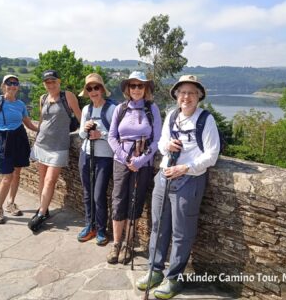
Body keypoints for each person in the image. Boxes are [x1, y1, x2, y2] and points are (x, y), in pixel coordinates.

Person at [136, 75, 220, 299]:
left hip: (189, 180)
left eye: (192, 93)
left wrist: (186, 167)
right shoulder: (172, 115)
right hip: (164, 177)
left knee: (182, 233)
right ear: (176, 95)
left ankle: (173, 278)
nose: (186, 97)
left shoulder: (206, 120)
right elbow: (162, 142)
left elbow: (212, 155)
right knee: (158, 227)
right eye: (182, 92)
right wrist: (167, 146)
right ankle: (155, 270)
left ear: (199, 96)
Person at [106, 71, 162, 264]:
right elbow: (111, 137)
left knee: (135, 201)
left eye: (140, 85)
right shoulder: (120, 109)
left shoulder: (151, 109)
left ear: (145, 88)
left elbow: (157, 140)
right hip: (121, 161)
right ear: (127, 89)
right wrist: (124, 157)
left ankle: (129, 243)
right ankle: (116, 244)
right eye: (133, 85)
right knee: (119, 200)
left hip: (142, 163)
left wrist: (140, 160)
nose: (136, 89)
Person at [28, 69, 81, 232]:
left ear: (59, 82)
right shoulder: (43, 98)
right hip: (42, 143)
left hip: (58, 146)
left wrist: (88, 132)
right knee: (42, 178)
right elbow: (43, 120)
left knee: (50, 180)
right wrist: (37, 130)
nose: (50, 84)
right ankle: (44, 208)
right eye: (47, 82)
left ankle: (42, 213)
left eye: (53, 81)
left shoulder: (68, 96)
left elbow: (80, 117)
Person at [0, 74, 38, 224]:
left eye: (15, 83)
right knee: (7, 176)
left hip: (19, 138)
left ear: (18, 86)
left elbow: (28, 124)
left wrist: (43, 130)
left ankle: (11, 203)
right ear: (3, 85)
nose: (13, 85)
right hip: (3, 139)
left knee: (17, 173)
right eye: (9, 83)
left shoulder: (20, 104)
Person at [77, 73, 116, 246]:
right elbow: (80, 134)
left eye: (96, 87)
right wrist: (85, 130)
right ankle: (89, 225)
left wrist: (101, 134)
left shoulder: (112, 109)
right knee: (87, 193)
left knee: (99, 194)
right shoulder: (87, 110)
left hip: (104, 157)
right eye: (89, 88)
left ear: (102, 89)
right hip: (86, 154)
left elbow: (118, 136)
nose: (93, 91)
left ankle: (100, 229)